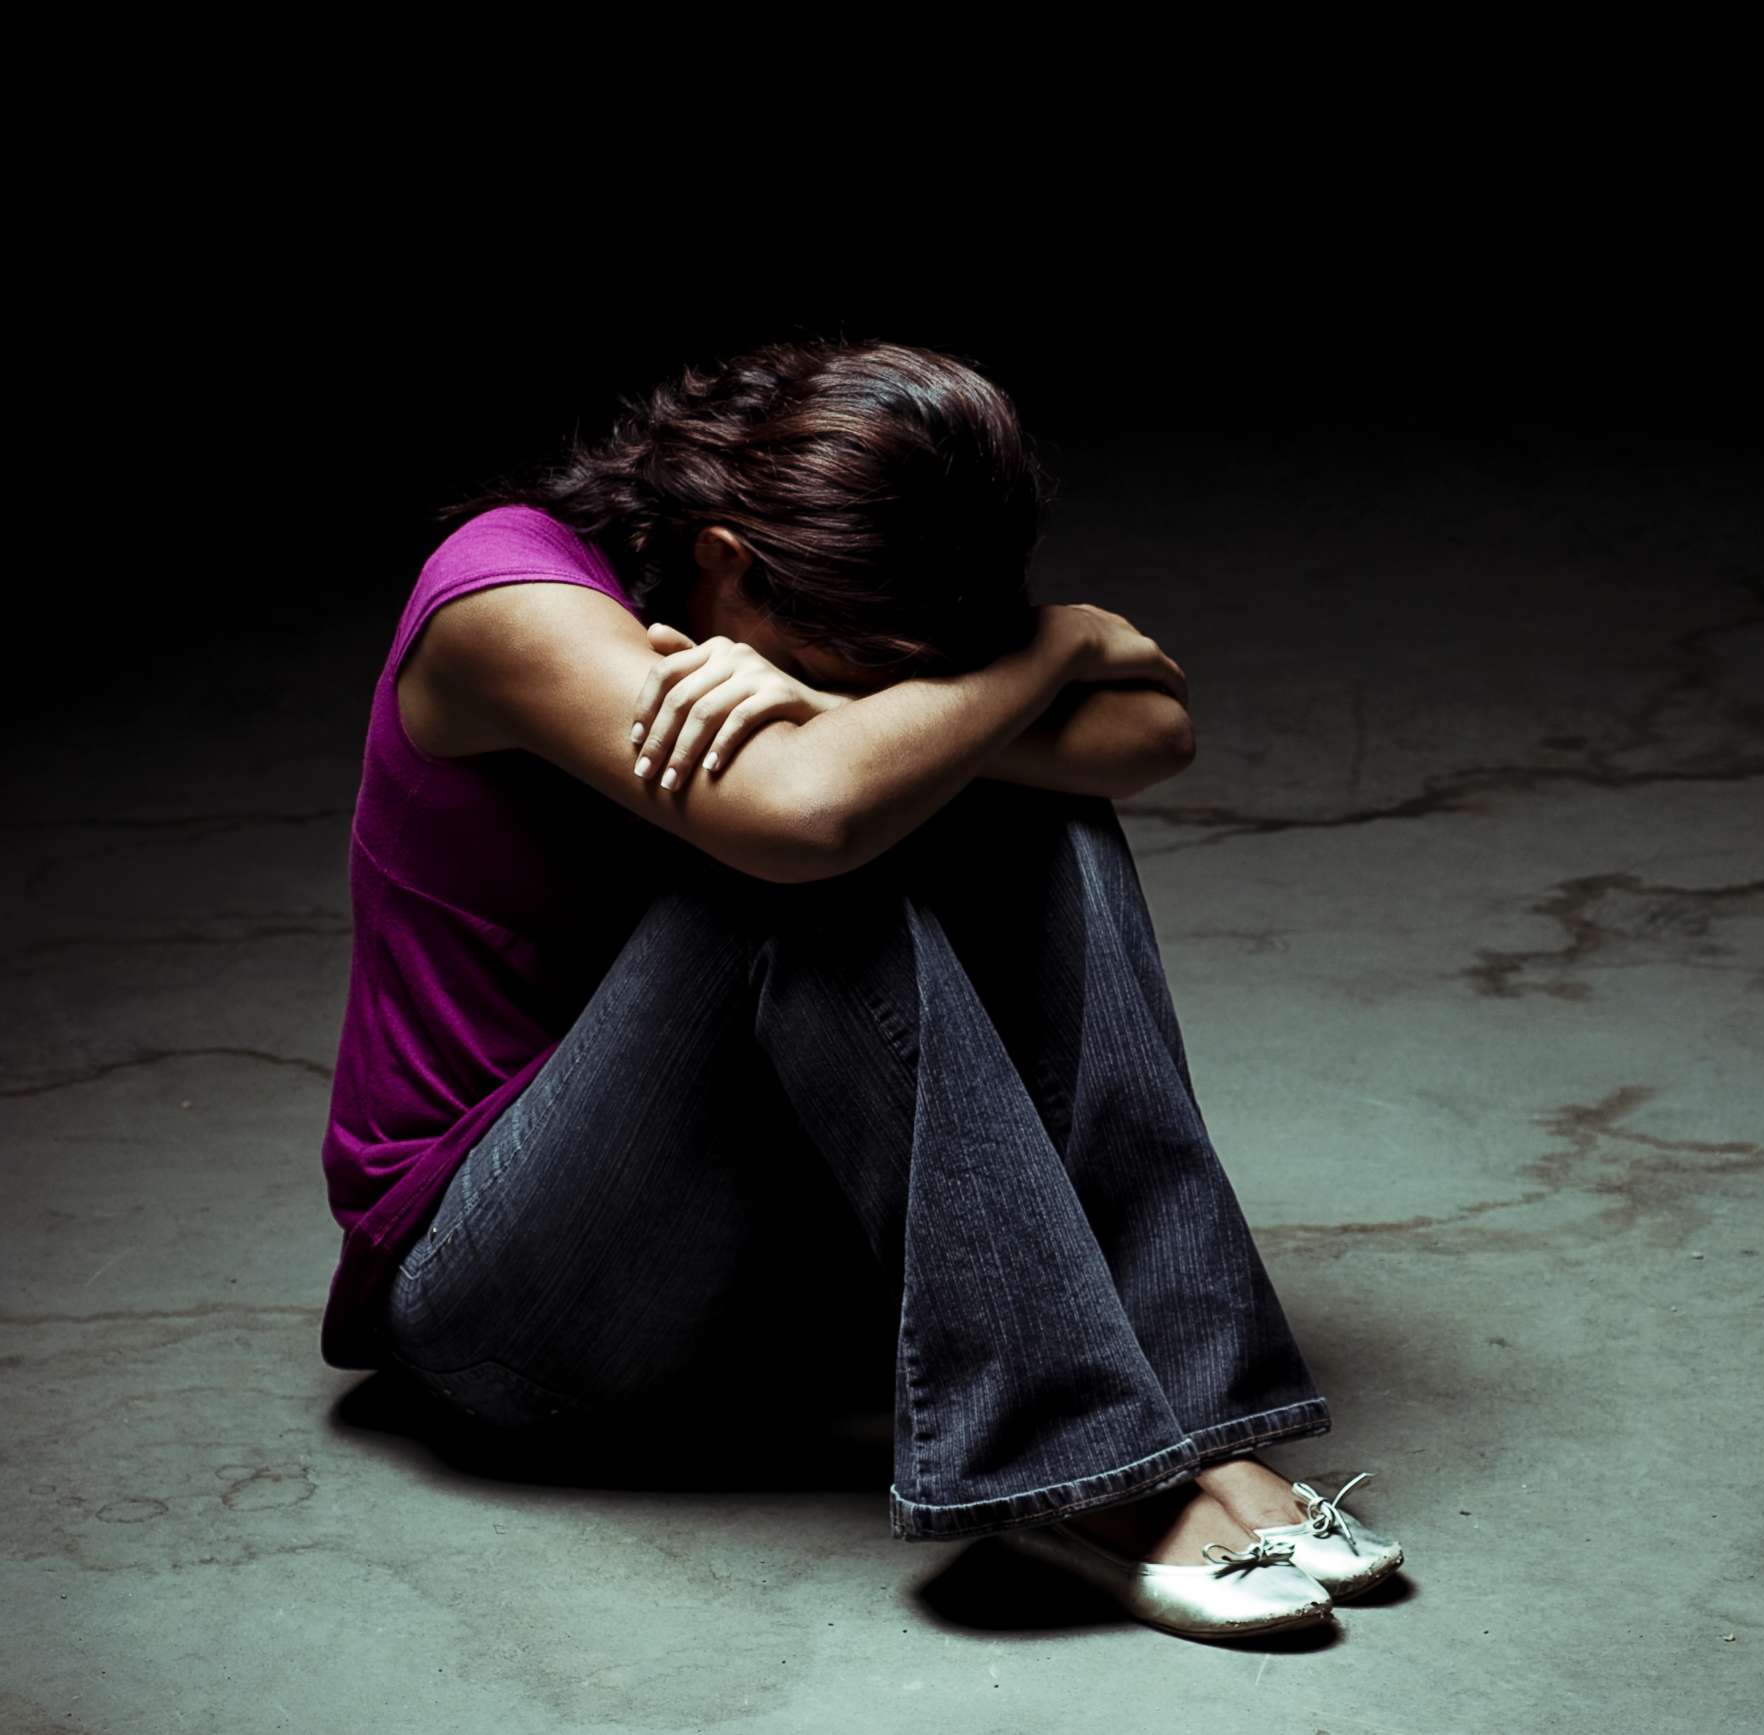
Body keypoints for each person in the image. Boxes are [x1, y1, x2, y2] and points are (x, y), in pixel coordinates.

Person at [314, 336, 1402, 1640]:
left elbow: (1154, 733)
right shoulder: (503, 599)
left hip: (762, 1285)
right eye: (868, 656)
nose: (886, 685)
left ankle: (1190, 1411)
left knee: (1033, 810)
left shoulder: (812, 589)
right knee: (809, 861)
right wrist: (1053, 651)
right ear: (722, 561)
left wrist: (969, 677)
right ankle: (1075, 1470)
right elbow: (800, 818)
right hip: (507, 1307)